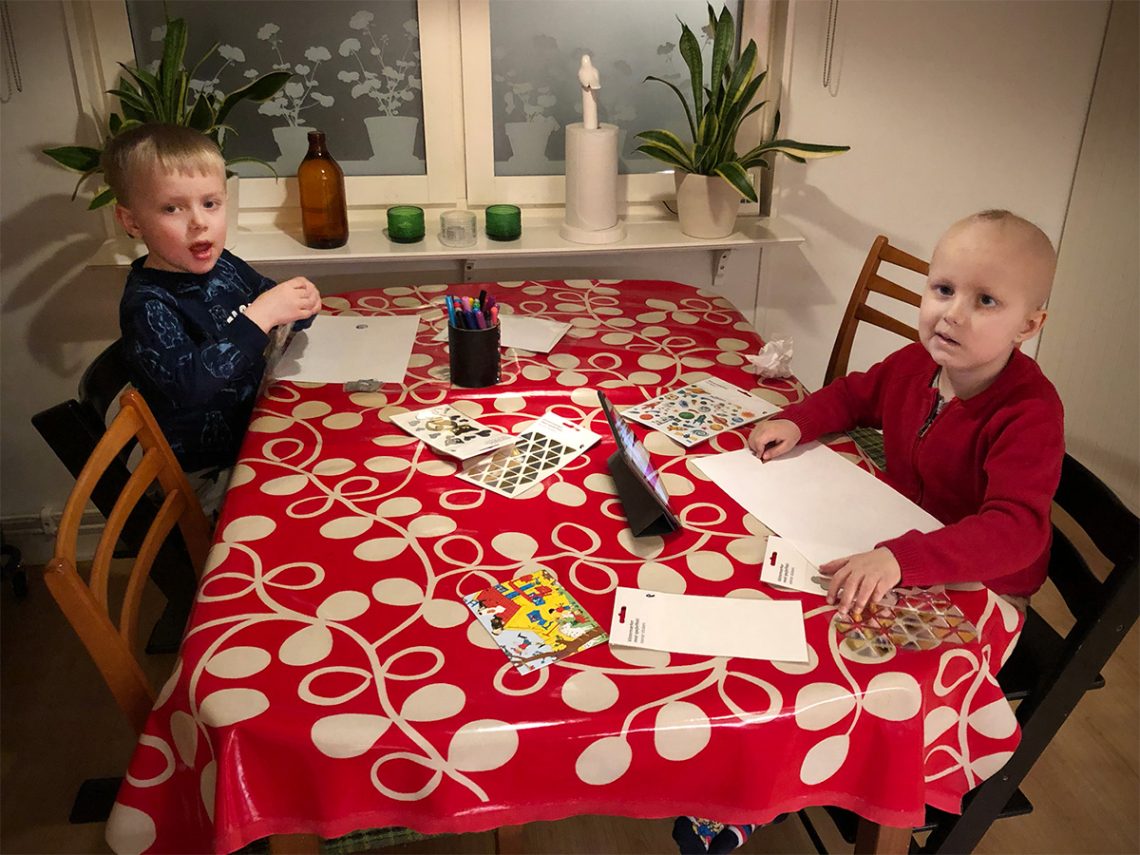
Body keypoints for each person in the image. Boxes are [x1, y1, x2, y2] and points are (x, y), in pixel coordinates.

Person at [748, 210, 1064, 616]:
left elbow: (1015, 531)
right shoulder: (916, 363)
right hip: (899, 533)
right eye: (944, 289)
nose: (953, 314)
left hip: (984, 584)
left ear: (1028, 325)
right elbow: (853, 396)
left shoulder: (1030, 412)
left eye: (986, 301)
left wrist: (902, 559)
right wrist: (798, 421)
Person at [102, 123, 321, 510]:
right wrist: (262, 314)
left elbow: (273, 308)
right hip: (206, 477)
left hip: (259, 429)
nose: (199, 222)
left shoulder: (223, 265)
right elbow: (192, 385)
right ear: (132, 222)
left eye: (210, 203)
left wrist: (299, 305)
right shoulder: (147, 304)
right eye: (172, 208)